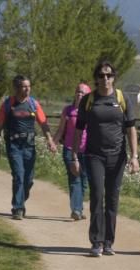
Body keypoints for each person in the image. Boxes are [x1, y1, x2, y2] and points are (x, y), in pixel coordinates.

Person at [74, 60, 139, 257]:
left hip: (117, 157)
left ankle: (109, 241)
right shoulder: (88, 100)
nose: (105, 79)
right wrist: (74, 156)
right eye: (101, 75)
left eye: (109, 75)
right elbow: (78, 130)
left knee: (112, 199)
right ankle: (96, 241)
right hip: (94, 155)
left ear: (114, 78)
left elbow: (131, 129)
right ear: (96, 78)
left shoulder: (122, 98)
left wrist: (134, 156)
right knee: (96, 196)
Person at [0, 75, 57, 220]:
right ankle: (17, 208)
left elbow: (43, 124)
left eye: (29, 86)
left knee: (28, 180)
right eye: (24, 86)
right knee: (19, 176)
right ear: (17, 88)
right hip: (14, 145)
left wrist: (50, 140)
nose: (27, 89)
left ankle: (21, 199)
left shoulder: (34, 104)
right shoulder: (8, 104)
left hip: (29, 146)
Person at [53, 82, 91, 221]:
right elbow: (61, 129)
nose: (80, 94)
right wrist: (54, 142)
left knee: (84, 181)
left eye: (83, 93)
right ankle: (76, 209)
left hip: (87, 151)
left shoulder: (90, 112)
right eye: (78, 91)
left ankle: (79, 208)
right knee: (75, 179)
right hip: (70, 149)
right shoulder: (68, 111)